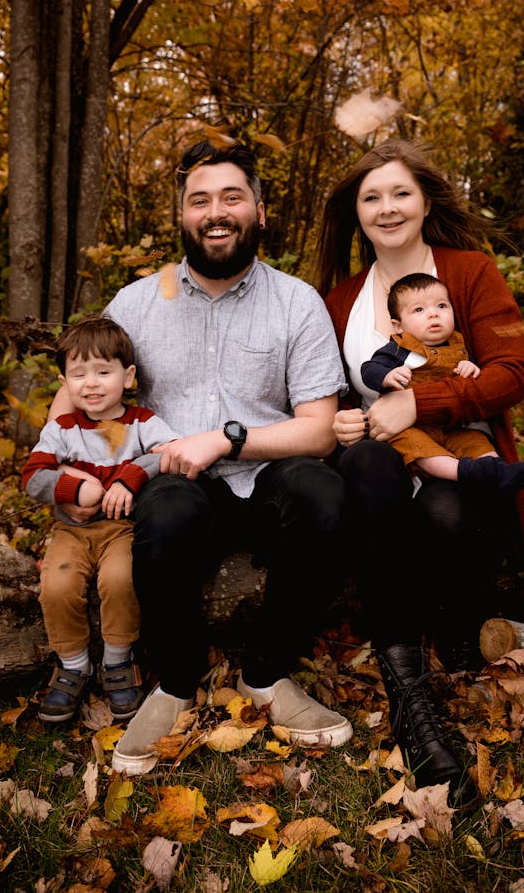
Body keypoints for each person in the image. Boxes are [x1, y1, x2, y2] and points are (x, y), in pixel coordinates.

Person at [49, 140, 352, 775]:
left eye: (232, 197)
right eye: (200, 200)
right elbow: (72, 393)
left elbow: (320, 431)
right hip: (178, 484)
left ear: (260, 212)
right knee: (163, 509)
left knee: (323, 493)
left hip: (268, 471)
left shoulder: (297, 302)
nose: (216, 212)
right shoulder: (136, 302)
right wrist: (63, 472)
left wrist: (227, 438)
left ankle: (266, 675)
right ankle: (179, 682)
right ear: (183, 216)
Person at [317, 138, 524, 806]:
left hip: (460, 454)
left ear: (426, 200)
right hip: (380, 465)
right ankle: (406, 688)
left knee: (446, 511)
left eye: (400, 192)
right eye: (371, 197)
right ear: (357, 213)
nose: (387, 207)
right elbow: (327, 391)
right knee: (368, 461)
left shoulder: (470, 270)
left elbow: (511, 374)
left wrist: (420, 400)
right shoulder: (339, 298)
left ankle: (457, 614)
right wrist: (340, 418)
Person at [22, 316, 177, 723]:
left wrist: (131, 475)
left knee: (121, 580)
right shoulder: (61, 429)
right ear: (64, 382)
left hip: (123, 529)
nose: (90, 383)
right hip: (72, 531)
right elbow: (32, 476)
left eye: (103, 372)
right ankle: (73, 665)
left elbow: (171, 454)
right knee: (57, 583)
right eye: (78, 374)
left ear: (127, 377)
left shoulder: (142, 422)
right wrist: (72, 490)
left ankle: (117, 662)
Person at [361, 272, 524, 490]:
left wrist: (471, 367)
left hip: (452, 426)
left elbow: (478, 380)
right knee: (418, 448)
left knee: (475, 440)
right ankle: (462, 472)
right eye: (419, 310)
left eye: (441, 306)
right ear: (398, 326)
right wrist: (386, 376)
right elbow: (368, 369)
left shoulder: (459, 346)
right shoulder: (399, 349)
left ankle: (499, 470)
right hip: (411, 427)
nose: (433, 315)